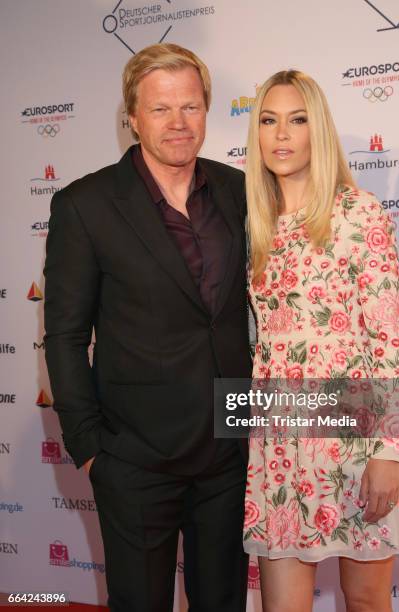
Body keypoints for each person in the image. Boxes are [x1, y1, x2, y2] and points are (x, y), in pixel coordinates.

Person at [44, 43, 251, 612]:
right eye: (161, 109)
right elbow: (64, 336)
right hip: (134, 459)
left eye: (191, 106)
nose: (179, 123)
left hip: (229, 455)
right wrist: (90, 450)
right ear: (132, 118)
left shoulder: (239, 191)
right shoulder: (85, 205)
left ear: (207, 110)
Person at [243, 70, 399, 612]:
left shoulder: (359, 213)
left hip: (359, 435)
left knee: (367, 600)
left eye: (297, 120)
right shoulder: (253, 224)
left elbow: (387, 341)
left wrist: (388, 453)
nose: (282, 135)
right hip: (280, 442)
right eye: (269, 120)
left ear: (317, 130)